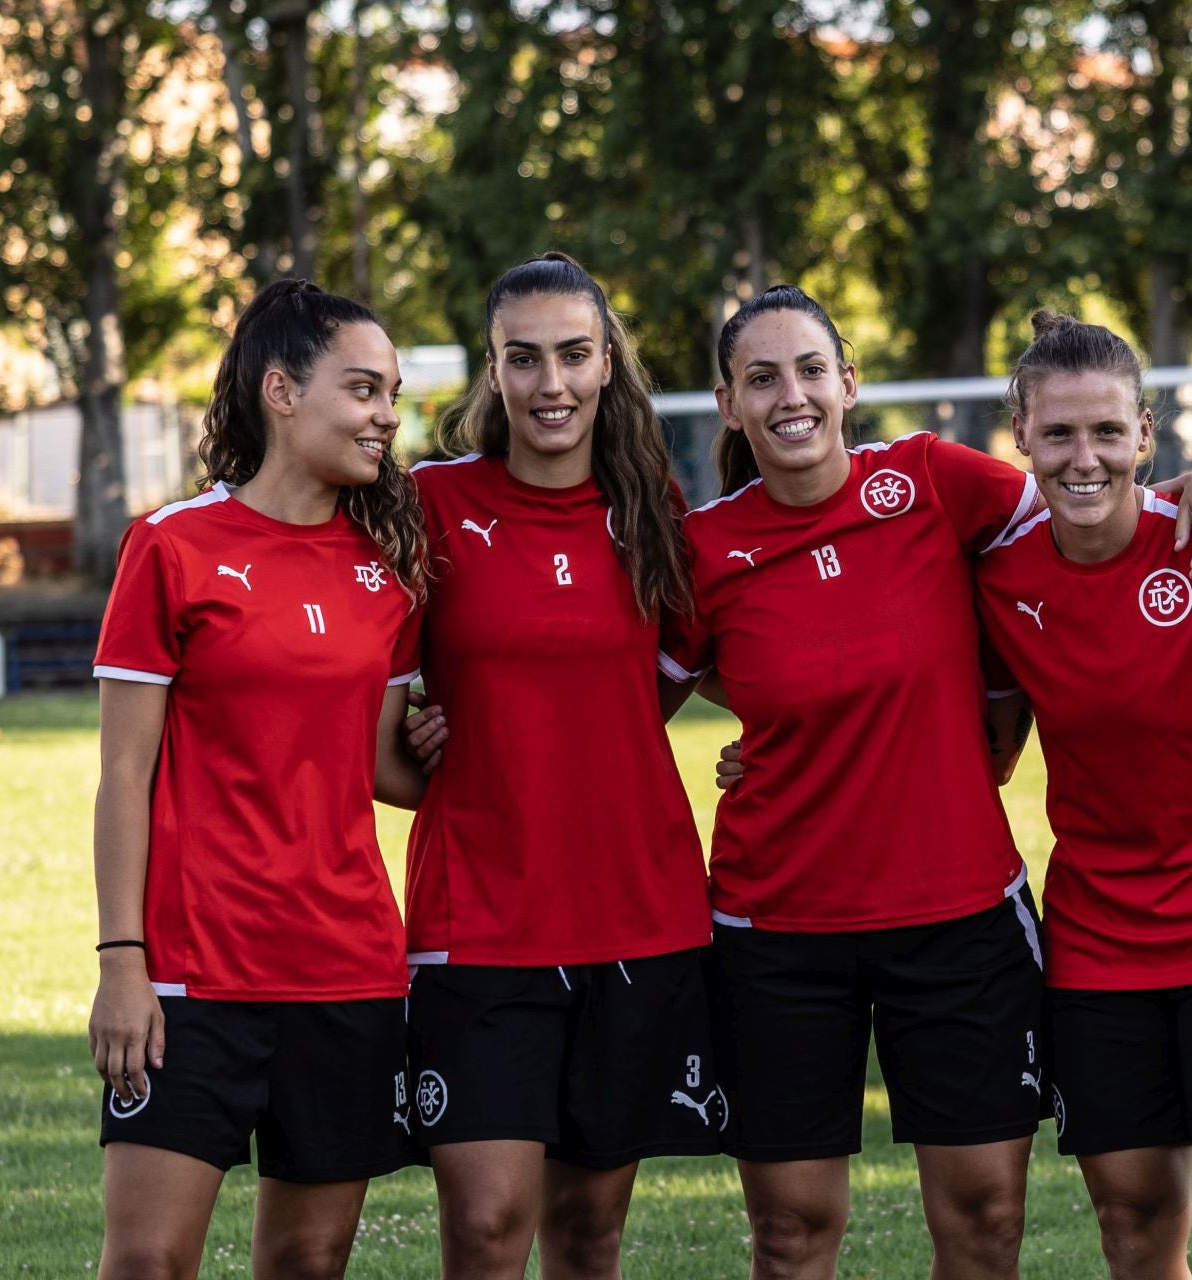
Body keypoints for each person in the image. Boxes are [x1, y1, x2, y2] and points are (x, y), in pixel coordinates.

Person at [666, 284, 1192, 1280]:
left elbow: (1089, 491)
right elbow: (626, 690)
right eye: (761, 378)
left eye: (810, 370)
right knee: (793, 1231)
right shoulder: (706, 547)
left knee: (985, 1224)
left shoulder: (933, 479)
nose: (790, 395)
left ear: (849, 384)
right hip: (776, 934)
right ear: (728, 404)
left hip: (961, 922)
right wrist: (773, 718)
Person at [973, 311, 1192, 1280]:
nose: (1082, 456)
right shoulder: (1002, 581)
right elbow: (986, 753)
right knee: (1133, 1225)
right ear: (1023, 442)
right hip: (1098, 948)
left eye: (1105, 432)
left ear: (1145, 435)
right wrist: (779, 750)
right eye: (1058, 433)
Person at [86, 279, 430, 1280]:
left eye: (392, 393)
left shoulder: (387, 566)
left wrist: (439, 746)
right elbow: (121, 772)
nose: (387, 415)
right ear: (281, 389)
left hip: (348, 964)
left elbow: (381, 768)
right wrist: (122, 961)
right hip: (192, 973)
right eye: (363, 389)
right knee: (147, 1259)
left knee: (311, 1259)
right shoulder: (172, 547)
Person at [399, 252, 718, 1280]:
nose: (551, 383)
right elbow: (360, 671)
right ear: (492, 371)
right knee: (487, 1226)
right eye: (523, 358)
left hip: (636, 909)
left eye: (574, 355)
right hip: (481, 919)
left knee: (588, 1233)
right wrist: (422, 736)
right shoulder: (428, 505)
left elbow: (660, 689)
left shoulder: (651, 506)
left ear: (607, 362)